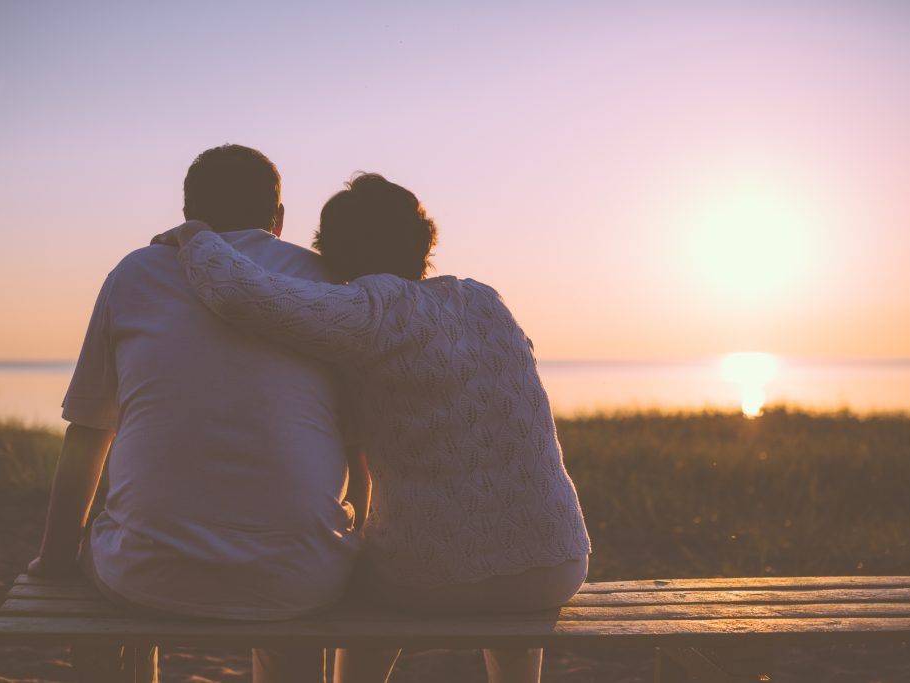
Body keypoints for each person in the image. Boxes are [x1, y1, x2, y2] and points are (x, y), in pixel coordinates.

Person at [156, 173, 592, 683]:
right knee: (503, 580)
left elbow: (244, 296)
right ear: (422, 240)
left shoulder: (372, 310)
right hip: (556, 564)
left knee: (350, 579)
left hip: (432, 577)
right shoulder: (485, 301)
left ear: (333, 253)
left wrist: (196, 235)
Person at [29, 144, 364, 682]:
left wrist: (53, 559)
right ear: (278, 218)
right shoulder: (321, 278)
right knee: (291, 604)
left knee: (109, 564)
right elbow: (356, 442)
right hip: (301, 581)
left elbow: (89, 431)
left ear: (187, 216)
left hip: (146, 576)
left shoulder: (135, 273)